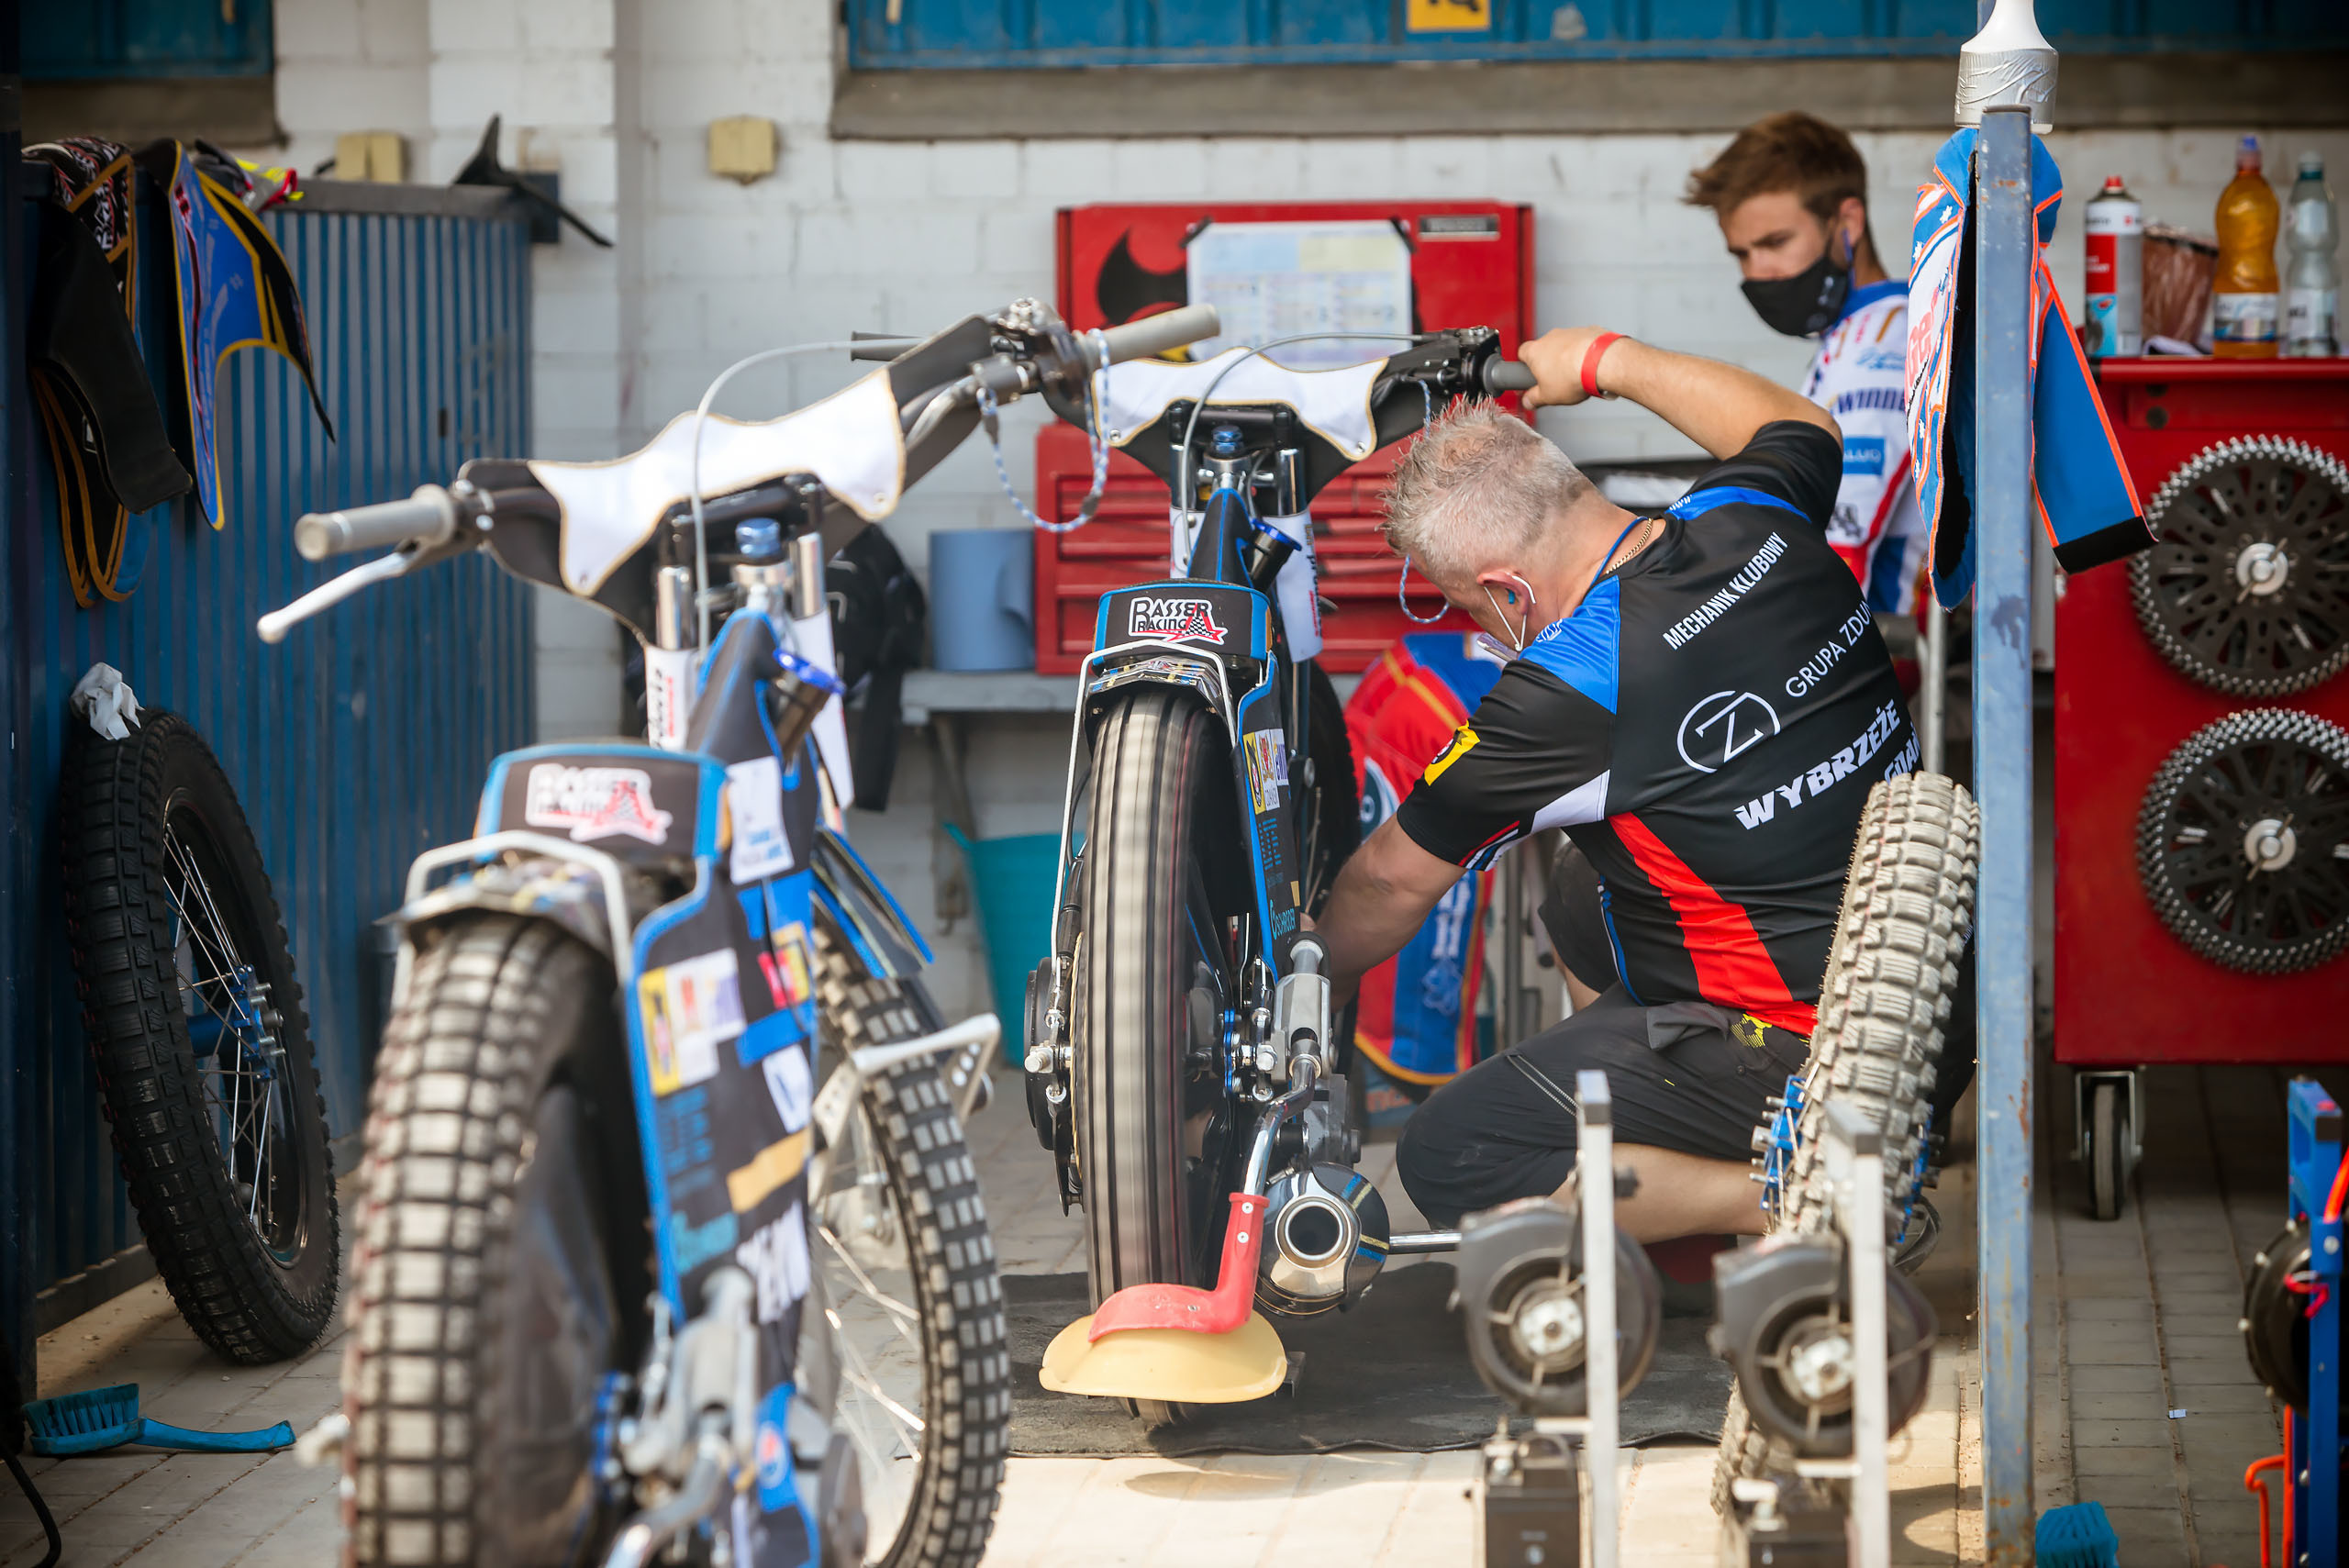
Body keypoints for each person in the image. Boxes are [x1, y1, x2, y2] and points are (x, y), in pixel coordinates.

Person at [1314, 328, 1920, 1244]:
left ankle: (1810, 1191)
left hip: (1818, 1051)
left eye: (1472, 609)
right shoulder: (1750, 519)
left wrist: (1306, 980)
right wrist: (1608, 361)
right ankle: (1678, 1176)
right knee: (1579, 890)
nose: (1482, 628)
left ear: (1506, 590)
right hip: (1922, 983)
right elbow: (1800, 423)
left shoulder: (1565, 690)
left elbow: (1390, 881)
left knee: (1451, 1152)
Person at [1686, 111, 1929, 621]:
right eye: (1742, 254)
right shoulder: (1861, 333)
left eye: (1775, 243)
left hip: (1887, 655)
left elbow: (1839, 552)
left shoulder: (1881, 349)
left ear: (1849, 223)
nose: (1758, 272)